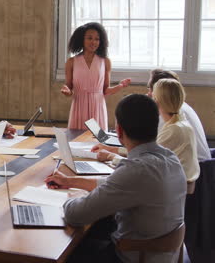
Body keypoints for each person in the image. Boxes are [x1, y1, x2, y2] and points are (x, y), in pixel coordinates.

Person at [45, 94, 186, 263]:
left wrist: (72, 197)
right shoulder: (170, 158)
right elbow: (115, 185)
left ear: (119, 131)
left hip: (133, 256)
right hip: (163, 255)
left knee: (63, 249)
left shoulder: (136, 170)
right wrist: (70, 182)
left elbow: (75, 215)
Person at [92, 79, 200, 183]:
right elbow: (144, 153)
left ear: (156, 101)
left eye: (152, 94)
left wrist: (111, 156)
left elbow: (141, 164)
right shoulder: (179, 121)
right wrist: (112, 150)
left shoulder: (174, 130)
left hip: (168, 185)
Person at [61, 22, 131, 131]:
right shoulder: (71, 62)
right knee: (76, 140)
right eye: (89, 38)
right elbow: (69, 87)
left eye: (97, 39)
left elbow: (106, 90)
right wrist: (67, 91)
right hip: (79, 106)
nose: (93, 42)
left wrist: (121, 85)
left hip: (98, 107)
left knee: (98, 142)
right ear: (82, 40)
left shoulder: (105, 62)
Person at [146, 69, 210, 161]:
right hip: (200, 167)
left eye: (149, 89)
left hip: (195, 172)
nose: (148, 94)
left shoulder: (171, 116)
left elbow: (151, 153)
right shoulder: (179, 107)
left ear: (159, 93)